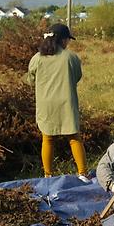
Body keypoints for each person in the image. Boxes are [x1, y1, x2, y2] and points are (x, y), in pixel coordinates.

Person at [26, 23, 90, 183]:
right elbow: (77, 77)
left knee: (47, 138)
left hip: (45, 104)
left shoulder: (37, 58)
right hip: (67, 102)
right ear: (62, 40)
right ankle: (82, 173)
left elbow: (30, 80)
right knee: (74, 137)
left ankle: (48, 175)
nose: (68, 43)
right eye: (68, 40)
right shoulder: (71, 57)